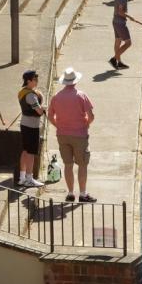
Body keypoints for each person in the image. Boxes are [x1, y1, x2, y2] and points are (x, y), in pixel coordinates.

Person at [47, 67, 96, 203]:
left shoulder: (56, 97)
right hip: (79, 134)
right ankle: (83, 194)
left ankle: (70, 193)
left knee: (68, 164)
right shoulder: (81, 95)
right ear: (75, 81)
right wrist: (86, 123)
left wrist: (58, 125)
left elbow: (50, 116)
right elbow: (91, 116)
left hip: (62, 134)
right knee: (82, 164)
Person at [17, 69, 46, 188]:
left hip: (24, 124)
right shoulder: (31, 96)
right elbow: (39, 110)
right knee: (31, 153)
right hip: (32, 126)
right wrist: (44, 109)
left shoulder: (23, 92)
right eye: (35, 79)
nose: (37, 81)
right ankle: (29, 178)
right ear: (29, 81)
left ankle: (22, 177)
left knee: (25, 151)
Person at [111, 0, 134, 69]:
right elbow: (120, 12)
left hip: (115, 21)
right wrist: (129, 17)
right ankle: (114, 59)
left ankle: (119, 62)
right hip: (120, 23)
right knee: (128, 43)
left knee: (118, 41)